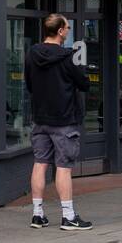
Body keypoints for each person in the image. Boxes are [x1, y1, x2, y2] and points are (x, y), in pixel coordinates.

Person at [24, 13, 93, 231]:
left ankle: (37, 214)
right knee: (63, 167)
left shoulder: (32, 53)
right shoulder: (68, 56)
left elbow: (29, 84)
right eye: (67, 28)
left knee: (40, 163)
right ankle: (68, 216)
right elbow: (84, 84)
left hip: (40, 117)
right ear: (61, 31)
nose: (68, 31)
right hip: (64, 119)